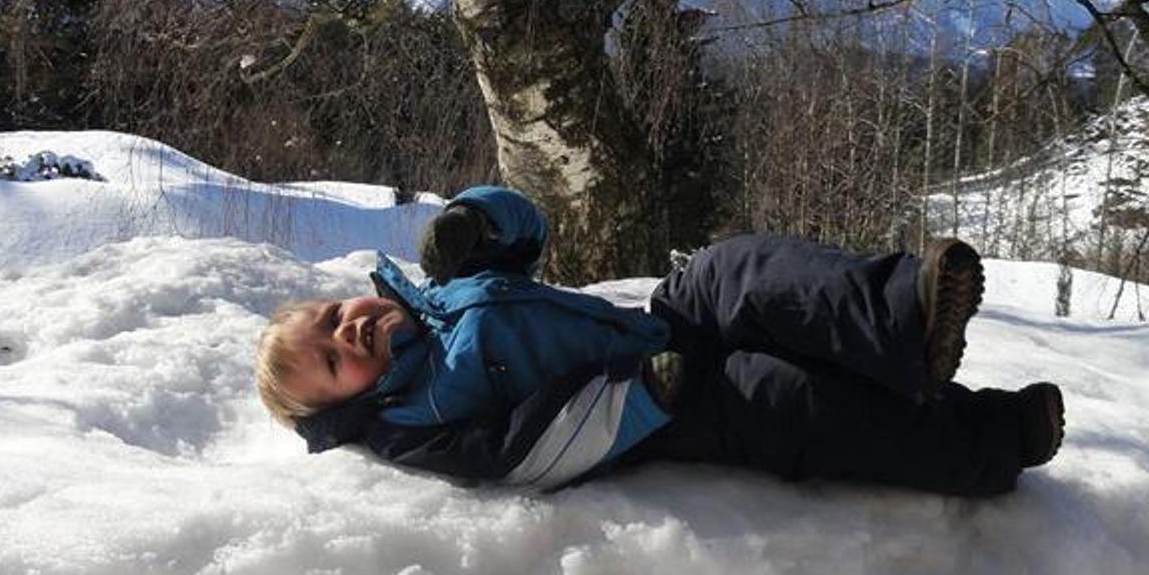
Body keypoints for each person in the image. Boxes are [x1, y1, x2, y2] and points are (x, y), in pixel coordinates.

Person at [256, 185, 1064, 495]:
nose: (345, 333)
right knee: (789, 400)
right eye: (332, 362)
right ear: (345, 405)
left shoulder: (443, 291)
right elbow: (521, 453)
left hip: (655, 324)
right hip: (659, 406)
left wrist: (475, 220)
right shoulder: (414, 419)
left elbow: (527, 234)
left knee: (734, 266)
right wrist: (642, 398)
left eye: (329, 317)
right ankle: (993, 438)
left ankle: (902, 317)